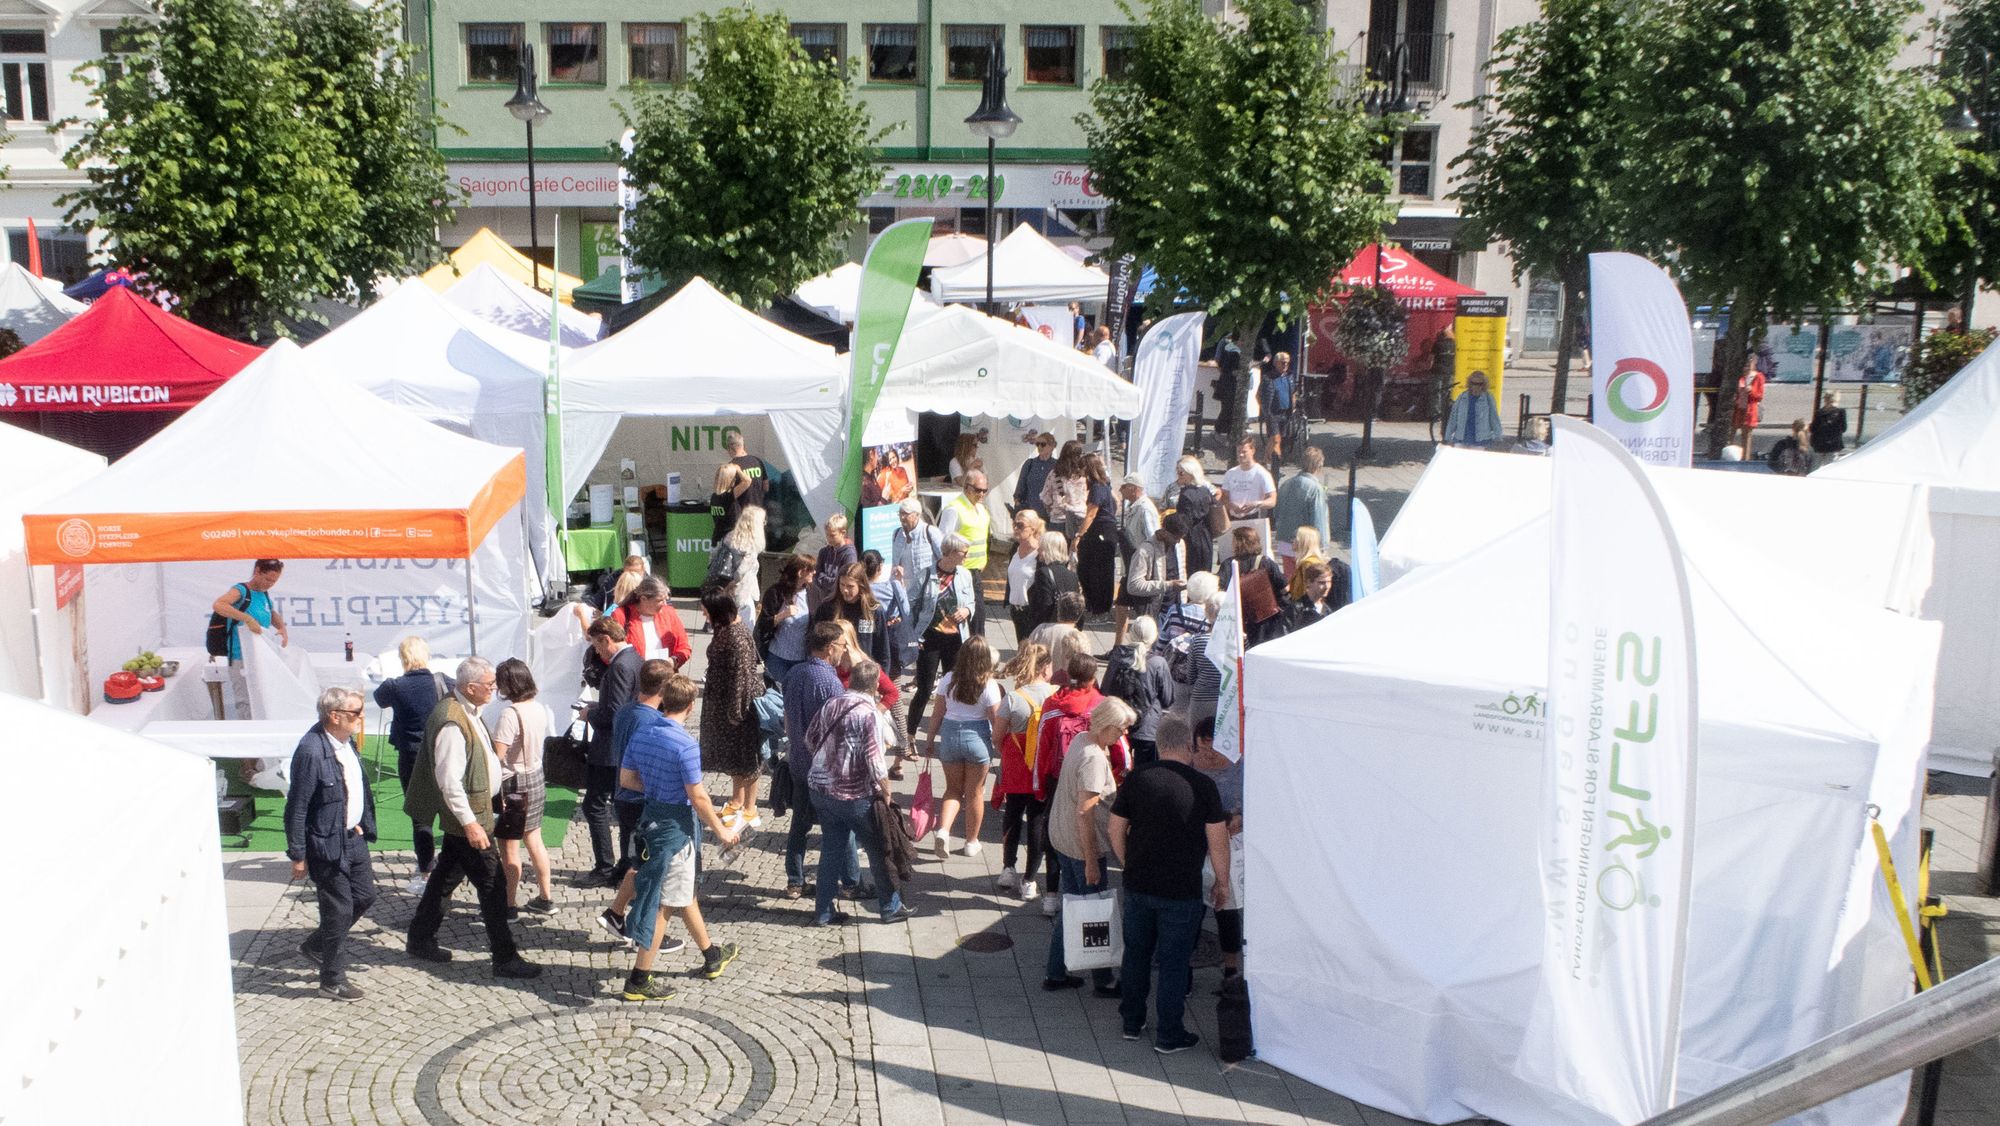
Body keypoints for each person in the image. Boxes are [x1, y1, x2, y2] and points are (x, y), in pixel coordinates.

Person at [404, 657, 541, 978]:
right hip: (468, 821)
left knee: (444, 878)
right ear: (470, 688)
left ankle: (420, 937)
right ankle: (504, 957)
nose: (495, 690)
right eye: (490, 686)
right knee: (492, 886)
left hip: (473, 815)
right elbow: (449, 782)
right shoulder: (452, 721)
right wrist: (469, 823)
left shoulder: (466, 709)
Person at [618, 668, 742, 1000]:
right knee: (662, 904)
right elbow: (699, 796)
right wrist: (723, 831)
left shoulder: (643, 734)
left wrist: (657, 786)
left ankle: (712, 955)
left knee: (682, 893)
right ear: (690, 705)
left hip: (651, 818)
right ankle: (639, 979)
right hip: (676, 831)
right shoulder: (685, 744)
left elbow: (627, 780)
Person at [1111, 711, 1228, 1054]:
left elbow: (1115, 828)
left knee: (1136, 955)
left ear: (1160, 746)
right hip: (1182, 889)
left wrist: (1128, 862)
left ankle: (1132, 1022)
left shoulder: (1137, 778)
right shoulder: (1203, 787)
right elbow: (1218, 843)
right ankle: (1169, 1033)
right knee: (1175, 963)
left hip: (1139, 884)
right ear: (1189, 747)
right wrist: (1222, 884)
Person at [284, 686, 378, 1001]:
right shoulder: (311, 750)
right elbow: (296, 807)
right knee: (338, 909)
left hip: (353, 836)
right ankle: (331, 980)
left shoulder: (346, 743)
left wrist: (362, 821)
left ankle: (314, 945)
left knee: (365, 896)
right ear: (334, 716)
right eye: (355, 713)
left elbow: (355, 785)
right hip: (326, 843)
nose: (361, 718)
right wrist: (298, 855)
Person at [806, 657, 915, 926]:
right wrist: (886, 792)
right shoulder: (870, 715)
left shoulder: (831, 703)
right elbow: (876, 762)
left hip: (820, 790)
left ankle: (823, 911)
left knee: (832, 849)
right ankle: (890, 907)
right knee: (879, 849)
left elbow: (810, 739)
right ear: (877, 685)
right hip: (854, 796)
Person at [1044, 698, 1136, 993]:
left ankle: (1056, 973)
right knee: (1095, 914)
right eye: (1121, 729)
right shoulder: (1094, 759)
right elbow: (1085, 811)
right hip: (1081, 845)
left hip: (1062, 837)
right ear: (1107, 725)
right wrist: (1092, 861)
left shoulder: (1082, 739)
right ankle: (1104, 980)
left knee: (1072, 908)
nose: (1123, 735)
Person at [373, 636, 453, 891]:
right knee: (451, 809)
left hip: (410, 756)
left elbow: (379, 698)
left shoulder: (394, 686)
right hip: (441, 753)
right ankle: (452, 864)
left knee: (420, 817)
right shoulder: (442, 681)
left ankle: (426, 872)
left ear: (403, 658)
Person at [920, 635, 1005, 859]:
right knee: (975, 793)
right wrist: (1001, 747)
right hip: (977, 738)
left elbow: (937, 713)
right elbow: (996, 720)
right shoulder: (989, 684)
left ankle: (943, 830)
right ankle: (971, 842)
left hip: (949, 736)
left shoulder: (948, 679)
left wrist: (929, 741)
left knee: (952, 790)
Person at [783, 622, 851, 898]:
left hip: (798, 760)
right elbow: (836, 729)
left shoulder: (795, 673)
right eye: (842, 645)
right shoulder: (830, 682)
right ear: (830, 647)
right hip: (823, 767)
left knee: (800, 823)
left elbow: (788, 718)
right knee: (840, 825)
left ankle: (795, 881)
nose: (844, 650)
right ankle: (850, 883)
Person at [579, 616, 641, 888]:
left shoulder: (619, 667)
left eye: (597, 646)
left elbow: (614, 714)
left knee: (595, 805)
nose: (597, 652)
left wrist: (590, 714)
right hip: (622, 748)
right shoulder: (635, 659)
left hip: (610, 751)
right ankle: (625, 865)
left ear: (606, 639)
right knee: (623, 809)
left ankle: (606, 866)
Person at [491, 658, 555, 918]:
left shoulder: (510, 714)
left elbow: (498, 754)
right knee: (535, 841)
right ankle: (545, 896)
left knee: (509, 848)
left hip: (513, 783)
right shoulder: (538, 707)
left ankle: (508, 904)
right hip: (536, 778)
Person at [995, 643, 1056, 903]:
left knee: (1012, 815)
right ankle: (1030, 880)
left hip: (1017, 766)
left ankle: (1008, 868)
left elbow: (997, 736)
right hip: (1043, 770)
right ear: (1044, 668)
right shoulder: (1056, 695)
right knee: (1037, 822)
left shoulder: (1013, 698)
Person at [700, 588, 765, 830]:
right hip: (724, 701)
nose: (704, 615)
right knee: (734, 757)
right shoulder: (725, 629)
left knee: (748, 756)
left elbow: (741, 676)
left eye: (706, 611)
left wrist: (736, 712)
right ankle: (737, 801)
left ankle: (750, 808)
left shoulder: (736, 635)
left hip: (739, 706)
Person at [903, 533, 976, 741]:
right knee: (925, 689)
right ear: (951, 553)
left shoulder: (964, 575)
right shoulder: (925, 575)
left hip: (956, 640)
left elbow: (971, 602)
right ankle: (909, 737)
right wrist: (912, 638)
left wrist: (966, 612)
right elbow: (909, 606)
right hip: (930, 640)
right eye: (964, 552)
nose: (966, 556)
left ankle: (949, 735)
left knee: (953, 688)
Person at [1190, 716, 1245, 983]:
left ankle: (1231, 969)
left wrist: (1241, 817)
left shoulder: (1241, 767)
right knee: (1192, 909)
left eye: (1214, 749)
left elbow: (1255, 801)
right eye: (1202, 749)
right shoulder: (1191, 766)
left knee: (1228, 909)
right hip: (1198, 845)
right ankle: (1185, 967)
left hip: (1230, 846)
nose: (1208, 756)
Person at [209, 558, 288, 719]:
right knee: (245, 700)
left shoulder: (263, 594)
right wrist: (247, 619)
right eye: (267, 579)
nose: (269, 584)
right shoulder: (241, 590)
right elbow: (219, 605)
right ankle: (250, 732)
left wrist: (282, 628)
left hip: (260, 657)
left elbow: (271, 612)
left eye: (274, 582)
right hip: (240, 656)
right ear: (257, 571)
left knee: (263, 697)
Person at [1107, 616, 1173, 766]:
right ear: (1154, 637)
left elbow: (1106, 690)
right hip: (1148, 729)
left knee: (1119, 771)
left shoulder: (1117, 658)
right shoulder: (1158, 663)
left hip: (1120, 724)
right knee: (1146, 772)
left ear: (1131, 633)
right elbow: (1168, 699)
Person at [937, 470, 993, 638]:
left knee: (978, 619)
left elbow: (985, 539)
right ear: (967, 487)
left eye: (985, 490)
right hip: (959, 573)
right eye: (978, 490)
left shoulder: (982, 509)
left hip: (975, 572)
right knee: (963, 619)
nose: (982, 494)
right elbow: (943, 541)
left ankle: (976, 657)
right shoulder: (954, 509)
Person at [813, 561, 892, 673]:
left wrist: (882, 678)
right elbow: (816, 643)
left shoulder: (873, 611)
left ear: (861, 585)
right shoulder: (827, 608)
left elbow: (883, 649)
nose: (845, 590)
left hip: (863, 672)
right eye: (842, 585)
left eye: (850, 586)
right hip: (833, 672)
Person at [1223, 526, 1290, 649]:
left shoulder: (1229, 564)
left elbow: (1221, 589)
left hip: (1240, 617)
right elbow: (1285, 587)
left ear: (1239, 543)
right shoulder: (1266, 562)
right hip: (1266, 618)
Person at [609, 575, 693, 669]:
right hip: (634, 677)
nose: (665, 604)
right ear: (643, 599)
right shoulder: (621, 615)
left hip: (664, 677)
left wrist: (674, 661)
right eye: (660, 600)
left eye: (666, 599)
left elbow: (684, 646)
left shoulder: (669, 613)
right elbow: (609, 649)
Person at [758, 554, 815, 685]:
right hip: (777, 658)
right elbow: (763, 624)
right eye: (811, 569)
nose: (815, 572)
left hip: (801, 659)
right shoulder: (775, 593)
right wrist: (782, 615)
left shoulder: (812, 593)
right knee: (776, 699)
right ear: (801, 572)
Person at [1272, 446, 1331, 575]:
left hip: (1285, 542)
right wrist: (1323, 548)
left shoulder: (1285, 484)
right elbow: (1318, 521)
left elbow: (1276, 513)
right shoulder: (1315, 489)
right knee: (1307, 585)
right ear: (1318, 466)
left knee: (1292, 583)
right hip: (1306, 546)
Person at [706, 505, 766, 632]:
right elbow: (741, 572)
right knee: (745, 631)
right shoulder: (751, 545)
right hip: (743, 593)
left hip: (725, 591)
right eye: (763, 521)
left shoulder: (728, 537)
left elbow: (712, 555)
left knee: (726, 629)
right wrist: (732, 583)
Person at [1122, 515, 1189, 628]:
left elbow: (1182, 572)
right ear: (1165, 531)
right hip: (1156, 612)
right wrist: (1169, 585)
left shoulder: (1180, 544)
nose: (1178, 541)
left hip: (1178, 609)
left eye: (1181, 538)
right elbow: (1133, 586)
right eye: (1175, 537)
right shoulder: (1145, 551)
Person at [1076, 453, 1119, 618]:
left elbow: (1091, 515)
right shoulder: (1104, 484)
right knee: (1089, 568)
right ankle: (1094, 604)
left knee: (1099, 571)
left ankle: (1099, 608)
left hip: (1101, 531)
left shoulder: (1097, 487)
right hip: (1104, 529)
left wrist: (1079, 535)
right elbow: (1117, 502)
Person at [711, 430, 770, 538]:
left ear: (730, 448)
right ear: (743, 445)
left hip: (742, 518)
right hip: (758, 514)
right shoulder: (757, 461)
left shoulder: (731, 468)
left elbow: (726, 493)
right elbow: (766, 487)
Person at [1219, 437, 1277, 541]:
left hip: (1252, 519)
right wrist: (1231, 505)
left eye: (1244, 452)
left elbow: (1272, 500)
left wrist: (1256, 504)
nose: (1241, 455)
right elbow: (1224, 497)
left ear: (1253, 451)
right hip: (1232, 519)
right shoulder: (1231, 473)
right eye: (1238, 452)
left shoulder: (1262, 473)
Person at [1169, 456, 1218, 575]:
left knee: (1190, 573)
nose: (1178, 475)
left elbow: (1183, 521)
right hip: (1206, 536)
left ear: (1190, 474)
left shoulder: (1185, 494)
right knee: (1205, 573)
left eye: (1181, 473)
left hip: (1191, 538)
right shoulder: (1205, 490)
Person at [1027, 529, 1081, 634]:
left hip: (1048, 629)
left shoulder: (1043, 573)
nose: (1038, 551)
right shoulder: (1072, 575)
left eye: (1041, 548)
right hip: (1068, 629)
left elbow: (1044, 606)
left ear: (1048, 549)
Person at [1040, 440, 1091, 547]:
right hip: (1080, 519)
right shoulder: (1085, 474)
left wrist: (1051, 510)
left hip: (1059, 519)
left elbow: (1045, 497)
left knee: (1057, 555)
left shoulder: (1055, 473)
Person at [1005, 511, 1046, 642]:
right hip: (1016, 611)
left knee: (1033, 654)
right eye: (1014, 524)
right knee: (1022, 651)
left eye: (1020, 525)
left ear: (1032, 529)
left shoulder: (1040, 554)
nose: (1016, 528)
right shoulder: (1014, 550)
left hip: (1032, 612)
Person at [890, 497, 943, 587]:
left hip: (927, 587)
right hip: (904, 588)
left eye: (906, 514)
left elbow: (943, 559)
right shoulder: (896, 534)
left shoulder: (930, 532)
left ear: (917, 515)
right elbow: (895, 563)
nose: (902, 518)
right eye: (900, 514)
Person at [1443, 371, 1503, 448]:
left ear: (1484, 385)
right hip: (1461, 438)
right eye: (1473, 383)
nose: (1476, 386)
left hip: (1480, 440)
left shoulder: (1488, 398)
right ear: (1469, 384)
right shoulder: (1462, 397)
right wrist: (1448, 436)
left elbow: (1494, 417)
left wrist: (1498, 436)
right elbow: (1453, 417)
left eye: (1479, 384)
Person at [1258, 350, 1297, 461]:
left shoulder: (1289, 376)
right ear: (1275, 363)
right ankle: (1276, 462)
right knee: (1275, 438)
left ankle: (1266, 460)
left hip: (1286, 412)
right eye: (1282, 362)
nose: (1285, 365)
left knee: (1277, 439)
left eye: (1287, 362)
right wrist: (1265, 411)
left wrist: (1293, 406)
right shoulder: (1268, 378)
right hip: (1273, 413)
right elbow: (1258, 395)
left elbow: (1293, 392)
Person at [1286, 559, 1344, 633]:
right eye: (1322, 583)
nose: (1327, 586)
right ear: (1309, 582)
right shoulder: (1295, 610)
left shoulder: (1328, 610)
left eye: (1329, 582)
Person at [812, 513, 858, 604]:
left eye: (832, 535)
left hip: (840, 601)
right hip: (824, 599)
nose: (829, 538)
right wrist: (831, 580)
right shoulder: (824, 552)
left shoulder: (849, 554)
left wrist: (824, 579)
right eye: (827, 535)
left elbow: (846, 580)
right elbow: (816, 576)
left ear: (843, 533)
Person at [1013, 432, 1057, 519]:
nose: (1039, 447)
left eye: (1043, 444)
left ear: (1051, 446)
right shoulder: (1030, 463)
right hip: (1030, 513)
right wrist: (1018, 504)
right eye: (1037, 444)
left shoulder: (1057, 465)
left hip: (1050, 514)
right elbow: (1020, 487)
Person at [1732, 359, 1766, 454]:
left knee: (1747, 435)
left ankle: (1745, 459)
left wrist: (1750, 390)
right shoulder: (1741, 377)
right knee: (1734, 433)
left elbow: (1759, 396)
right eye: (1745, 365)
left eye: (1748, 365)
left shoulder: (1758, 377)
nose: (1746, 367)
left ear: (1753, 364)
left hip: (1750, 409)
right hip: (1738, 409)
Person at [1212, 331, 1242, 437]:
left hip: (1229, 385)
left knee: (1229, 409)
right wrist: (1237, 372)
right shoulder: (1232, 352)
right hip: (1229, 386)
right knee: (1228, 409)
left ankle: (1227, 433)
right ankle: (1219, 431)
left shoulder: (1231, 349)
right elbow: (1226, 369)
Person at [1810, 392, 1848, 467]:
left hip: (1819, 444)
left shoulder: (1819, 413)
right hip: (1833, 444)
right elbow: (1844, 428)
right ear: (1834, 400)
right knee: (1829, 467)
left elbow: (1813, 428)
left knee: (1815, 467)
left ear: (1825, 400)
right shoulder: (1841, 412)